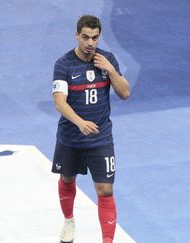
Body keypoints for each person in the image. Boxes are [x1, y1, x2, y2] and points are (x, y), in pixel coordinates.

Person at [51, 15, 130, 243]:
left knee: (105, 189)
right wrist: (79, 122)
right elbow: (59, 102)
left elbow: (125, 93)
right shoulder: (64, 64)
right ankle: (69, 221)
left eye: (94, 38)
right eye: (85, 37)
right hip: (71, 137)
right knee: (67, 179)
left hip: (100, 138)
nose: (90, 43)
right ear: (77, 35)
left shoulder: (107, 59)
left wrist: (111, 71)